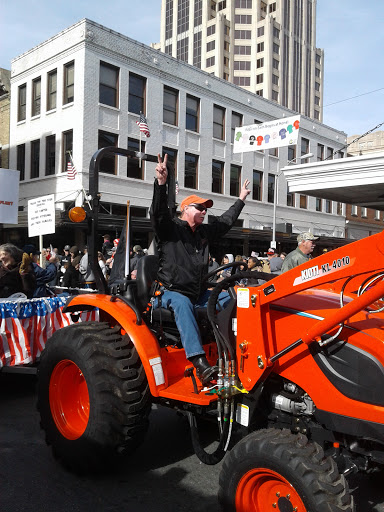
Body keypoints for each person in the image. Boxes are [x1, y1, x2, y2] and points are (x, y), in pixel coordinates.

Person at [151, 153, 250, 385]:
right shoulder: (170, 230)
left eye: (206, 208)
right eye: (200, 207)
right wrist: (161, 185)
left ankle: (234, 349)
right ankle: (199, 362)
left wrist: (241, 200)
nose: (205, 211)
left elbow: (225, 222)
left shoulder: (203, 234)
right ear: (185, 209)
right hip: (169, 292)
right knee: (182, 304)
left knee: (231, 298)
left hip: (198, 292)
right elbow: (158, 213)